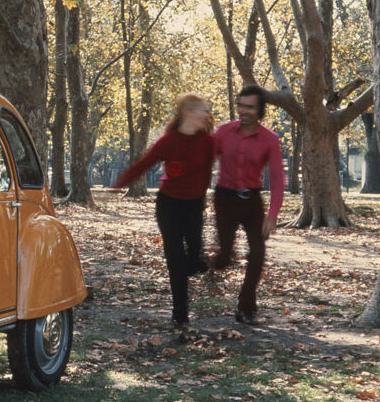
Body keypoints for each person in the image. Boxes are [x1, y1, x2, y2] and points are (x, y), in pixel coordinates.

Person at [114, 93, 215, 333]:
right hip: (168, 204)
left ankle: (195, 264)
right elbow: (144, 164)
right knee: (175, 259)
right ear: (188, 112)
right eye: (202, 110)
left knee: (193, 259)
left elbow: (207, 174)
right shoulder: (168, 141)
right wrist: (120, 183)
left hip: (194, 205)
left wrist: (201, 201)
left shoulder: (208, 142)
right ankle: (180, 315)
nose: (206, 114)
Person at [208, 84, 286, 325]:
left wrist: (272, 215)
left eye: (250, 107)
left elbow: (276, 178)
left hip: (251, 200)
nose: (244, 111)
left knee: (258, 253)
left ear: (259, 110)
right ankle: (210, 266)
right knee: (224, 256)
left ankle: (247, 305)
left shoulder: (270, 139)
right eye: (241, 106)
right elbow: (204, 159)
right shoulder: (223, 132)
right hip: (225, 199)